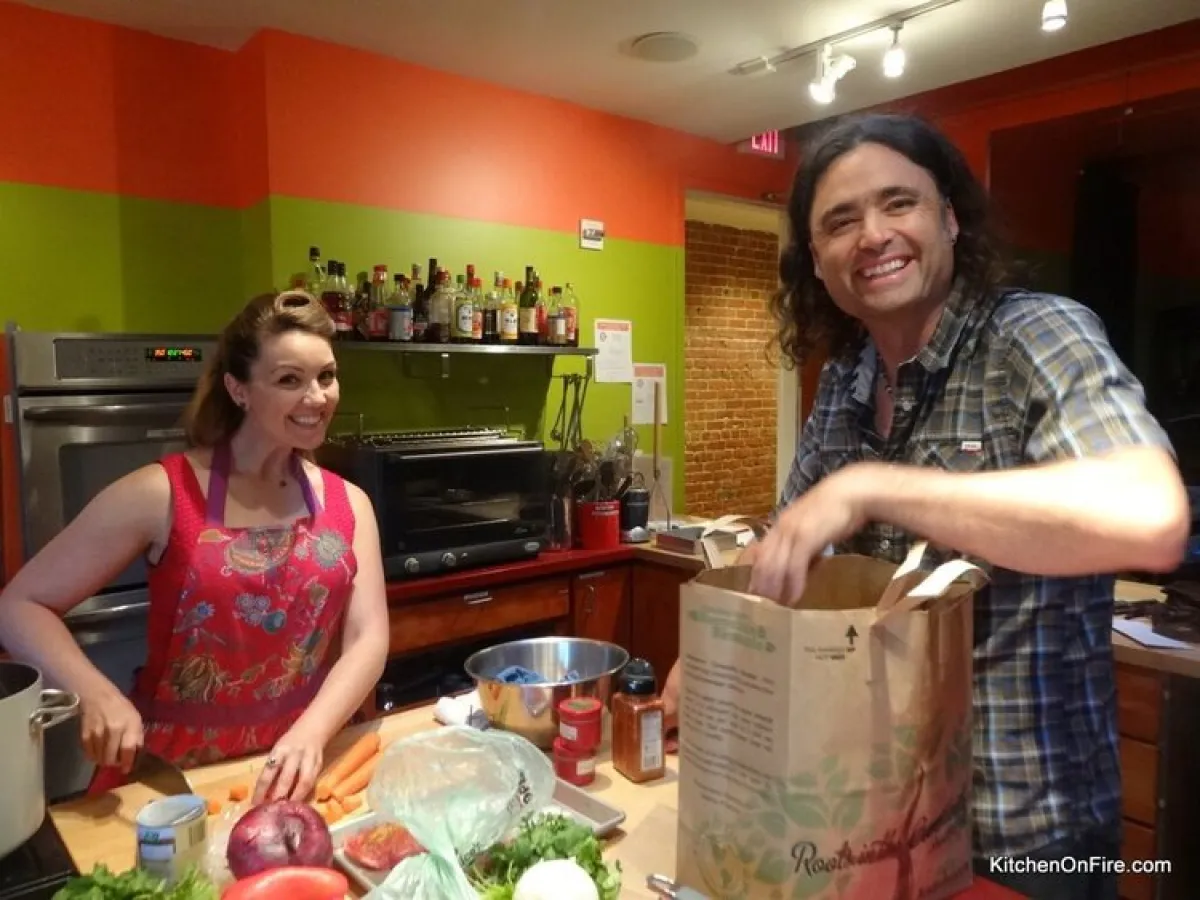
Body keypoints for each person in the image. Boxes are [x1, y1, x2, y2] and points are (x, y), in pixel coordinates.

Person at [662, 113, 1189, 900]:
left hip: (1020, 844)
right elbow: (785, 553)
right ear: (818, 260)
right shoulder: (844, 384)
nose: (872, 235)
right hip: (865, 831)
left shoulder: (1036, 336)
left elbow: (1151, 517)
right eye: (840, 221)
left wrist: (875, 488)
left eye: (898, 203)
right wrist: (713, 657)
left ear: (948, 217)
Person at [0, 290, 390, 804]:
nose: (317, 398)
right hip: (175, 777)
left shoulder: (350, 504)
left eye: (326, 376)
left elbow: (368, 639)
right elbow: (19, 605)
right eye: (289, 380)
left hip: (302, 767)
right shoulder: (163, 492)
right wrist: (97, 694)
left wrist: (310, 735)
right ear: (239, 389)